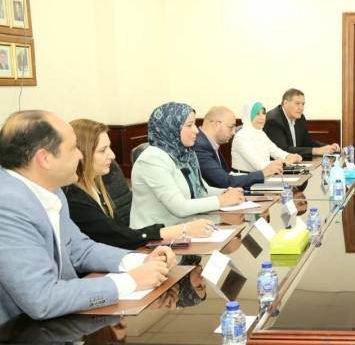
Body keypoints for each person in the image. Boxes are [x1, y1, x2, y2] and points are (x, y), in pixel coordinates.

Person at [0, 110, 175, 322]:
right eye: (73, 148)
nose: (81, 156)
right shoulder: (7, 205)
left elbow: (80, 249)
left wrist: (139, 261)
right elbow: (42, 299)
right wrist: (130, 281)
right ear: (44, 159)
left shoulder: (50, 189)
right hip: (17, 329)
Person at [63, 119, 215, 249]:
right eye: (103, 150)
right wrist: (181, 230)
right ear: (82, 154)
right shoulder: (74, 198)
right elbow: (115, 237)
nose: (113, 155)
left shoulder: (95, 185)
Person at [131, 102, 244, 228]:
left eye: (194, 124)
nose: (196, 130)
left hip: (185, 227)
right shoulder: (152, 159)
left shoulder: (185, 154)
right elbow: (180, 207)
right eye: (189, 125)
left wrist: (226, 192)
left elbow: (202, 190)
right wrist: (221, 200)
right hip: (157, 234)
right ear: (172, 127)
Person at [195, 106, 283, 188]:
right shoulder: (200, 146)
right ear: (217, 124)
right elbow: (224, 181)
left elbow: (225, 176)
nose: (233, 132)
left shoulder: (210, 143)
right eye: (231, 127)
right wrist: (263, 173)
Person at [263, 88, 339, 160]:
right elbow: (283, 150)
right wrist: (316, 151)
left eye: (303, 104)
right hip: (276, 165)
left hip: (295, 163)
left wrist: (328, 147)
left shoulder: (300, 118)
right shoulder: (273, 120)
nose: (301, 108)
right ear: (285, 103)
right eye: (297, 103)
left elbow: (307, 142)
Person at [231, 101, 301, 174]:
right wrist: (286, 162)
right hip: (244, 178)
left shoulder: (261, 133)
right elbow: (260, 165)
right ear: (248, 116)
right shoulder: (241, 137)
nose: (262, 118)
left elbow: (275, 151)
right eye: (257, 114)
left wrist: (289, 156)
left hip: (262, 176)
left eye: (263, 113)